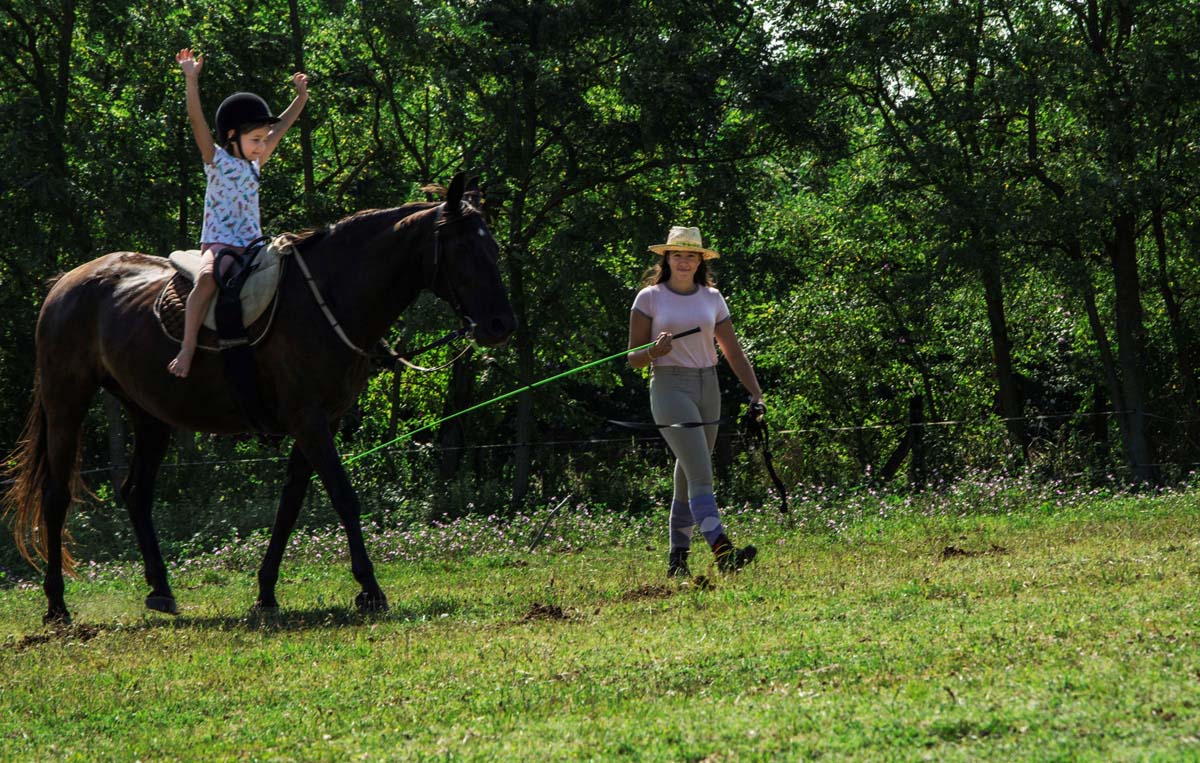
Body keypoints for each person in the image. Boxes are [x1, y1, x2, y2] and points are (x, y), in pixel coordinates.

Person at [628, 225, 764, 578]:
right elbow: (634, 358)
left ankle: (677, 560)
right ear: (666, 258)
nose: (684, 261)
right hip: (670, 387)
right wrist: (652, 351)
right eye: (678, 255)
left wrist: (756, 392)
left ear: (700, 260)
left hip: (709, 386)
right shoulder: (649, 298)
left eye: (691, 255)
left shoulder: (713, 298)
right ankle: (722, 550)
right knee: (702, 474)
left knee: (688, 476)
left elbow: (732, 351)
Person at [168, 47, 309, 377]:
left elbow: (283, 125)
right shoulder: (215, 160)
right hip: (220, 245)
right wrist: (191, 79)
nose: (262, 145)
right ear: (232, 135)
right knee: (205, 280)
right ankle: (187, 349)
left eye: (264, 140)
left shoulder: (256, 162)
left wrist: (301, 97)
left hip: (254, 245)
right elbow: (196, 120)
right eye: (256, 138)